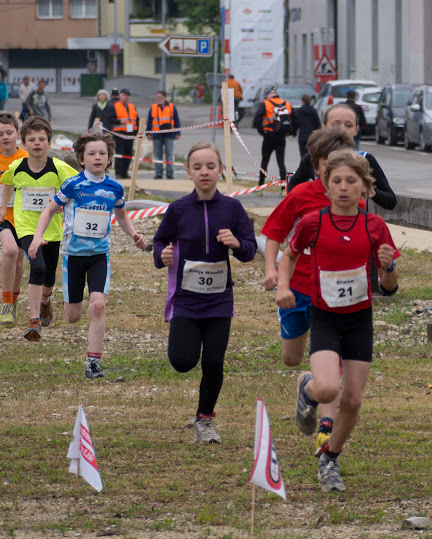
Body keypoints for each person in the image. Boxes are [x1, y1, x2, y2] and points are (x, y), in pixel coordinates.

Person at [276, 149, 400, 492]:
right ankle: (307, 386)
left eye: (352, 181)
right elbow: (289, 256)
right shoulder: (312, 223)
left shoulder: (374, 226)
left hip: (360, 319)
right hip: (326, 316)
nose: (344, 187)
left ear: (366, 187)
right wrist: (283, 286)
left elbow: (389, 287)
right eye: (337, 181)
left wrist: (388, 267)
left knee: (353, 400)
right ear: (326, 186)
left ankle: (330, 458)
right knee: (329, 388)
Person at [262, 127, 365, 453]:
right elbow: (274, 233)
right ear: (315, 164)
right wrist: (273, 272)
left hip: (334, 295)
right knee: (292, 359)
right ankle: (306, 386)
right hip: (297, 289)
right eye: (324, 163)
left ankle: (326, 425)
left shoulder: (352, 196)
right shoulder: (301, 195)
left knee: (332, 371)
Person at [153, 142, 257, 444]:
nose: (205, 172)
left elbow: (250, 250)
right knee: (183, 361)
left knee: (213, 362)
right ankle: (188, 356)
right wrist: (163, 256)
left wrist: (236, 244)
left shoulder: (233, 208)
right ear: (188, 172)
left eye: (211, 166)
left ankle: (205, 419)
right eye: (197, 167)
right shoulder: (178, 209)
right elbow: (159, 243)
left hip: (220, 299)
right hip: (186, 298)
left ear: (221, 170)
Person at [28, 133, 146, 378]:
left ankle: (93, 363)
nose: (97, 157)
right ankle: (47, 302)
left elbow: (122, 215)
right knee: (73, 317)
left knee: (98, 305)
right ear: (81, 159)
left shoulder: (114, 187)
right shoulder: (73, 185)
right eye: (91, 154)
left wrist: (134, 234)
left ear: (109, 158)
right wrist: (38, 236)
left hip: (99, 256)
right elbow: (49, 209)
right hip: (73, 257)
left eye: (102, 153)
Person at [0, 116, 78, 341]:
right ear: (23, 143)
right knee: (37, 266)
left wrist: (66, 205)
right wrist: (3, 208)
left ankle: (45, 301)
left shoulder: (60, 168)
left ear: (49, 143)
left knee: (49, 277)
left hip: (51, 230)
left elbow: (77, 187)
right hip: (25, 228)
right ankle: (33, 320)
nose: (36, 143)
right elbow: (7, 183)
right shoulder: (17, 166)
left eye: (41, 139)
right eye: (31, 139)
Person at [288, 103, 395, 211]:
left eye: (348, 125)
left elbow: (391, 201)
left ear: (356, 130)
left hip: (354, 224)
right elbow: (293, 190)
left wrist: (373, 192)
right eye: (336, 124)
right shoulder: (312, 159)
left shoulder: (365, 160)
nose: (342, 129)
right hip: (318, 224)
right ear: (324, 128)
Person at [0, 113, 28, 327]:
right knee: (9, 250)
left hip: (23, 215)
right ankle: (6, 302)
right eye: (0, 134)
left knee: (19, 260)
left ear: (18, 134)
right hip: (3, 215)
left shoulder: (27, 158)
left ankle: (14, 297)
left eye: (9, 132)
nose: (5, 137)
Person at [253, 90, 294, 185]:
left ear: (269, 97)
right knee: (281, 162)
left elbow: (257, 118)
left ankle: (260, 186)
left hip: (269, 135)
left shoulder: (266, 104)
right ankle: (284, 187)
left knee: (264, 161)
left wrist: (261, 131)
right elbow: (295, 119)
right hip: (281, 136)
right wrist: (290, 132)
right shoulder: (286, 104)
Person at [146, 90, 181, 180]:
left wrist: (177, 132)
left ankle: (169, 174)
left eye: (160, 97)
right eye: (157, 97)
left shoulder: (172, 107)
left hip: (169, 134)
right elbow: (149, 121)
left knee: (169, 154)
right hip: (157, 134)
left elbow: (177, 120)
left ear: (165, 98)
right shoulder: (153, 107)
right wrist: (148, 133)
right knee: (157, 155)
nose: (158, 99)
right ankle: (159, 174)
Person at [109, 88, 139, 179]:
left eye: (127, 95)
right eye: (124, 95)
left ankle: (125, 172)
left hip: (130, 134)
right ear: (120, 96)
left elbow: (136, 119)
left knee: (128, 154)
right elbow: (110, 119)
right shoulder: (114, 106)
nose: (126, 97)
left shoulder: (132, 106)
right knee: (120, 153)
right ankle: (118, 172)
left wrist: (136, 131)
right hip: (119, 133)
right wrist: (119, 121)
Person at [296, 94, 321, 158]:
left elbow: (296, 122)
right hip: (312, 136)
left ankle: (304, 167)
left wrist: (293, 132)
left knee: (303, 154)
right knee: (311, 154)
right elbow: (317, 123)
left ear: (302, 101)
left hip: (303, 135)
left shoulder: (300, 111)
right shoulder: (313, 111)